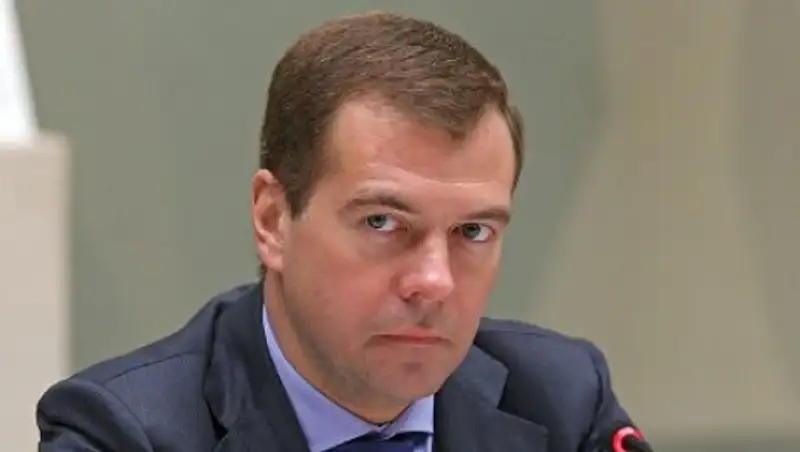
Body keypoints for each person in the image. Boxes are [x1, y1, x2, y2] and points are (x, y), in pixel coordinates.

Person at [37, 11, 642, 452]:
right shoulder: (123, 434)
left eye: (472, 231)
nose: (434, 281)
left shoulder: (561, 400)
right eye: (383, 222)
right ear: (273, 220)